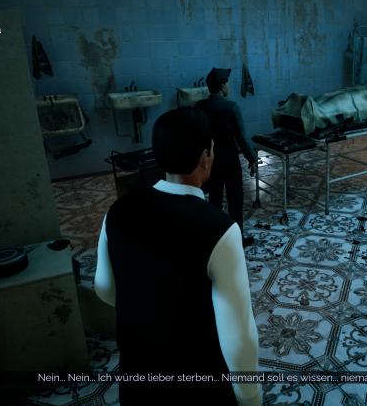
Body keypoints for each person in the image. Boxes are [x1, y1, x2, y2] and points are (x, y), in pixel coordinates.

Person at [94, 107, 261, 406]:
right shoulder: (220, 230)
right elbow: (239, 335)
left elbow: (104, 289)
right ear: (206, 157)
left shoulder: (118, 211)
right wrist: (250, 396)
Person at [195, 68, 257, 247]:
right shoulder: (231, 107)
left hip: (211, 160)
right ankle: (237, 239)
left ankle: (216, 238)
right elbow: (242, 138)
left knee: (214, 198)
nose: (229, 86)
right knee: (234, 200)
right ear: (222, 85)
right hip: (229, 160)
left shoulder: (199, 106)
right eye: (227, 82)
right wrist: (252, 159)